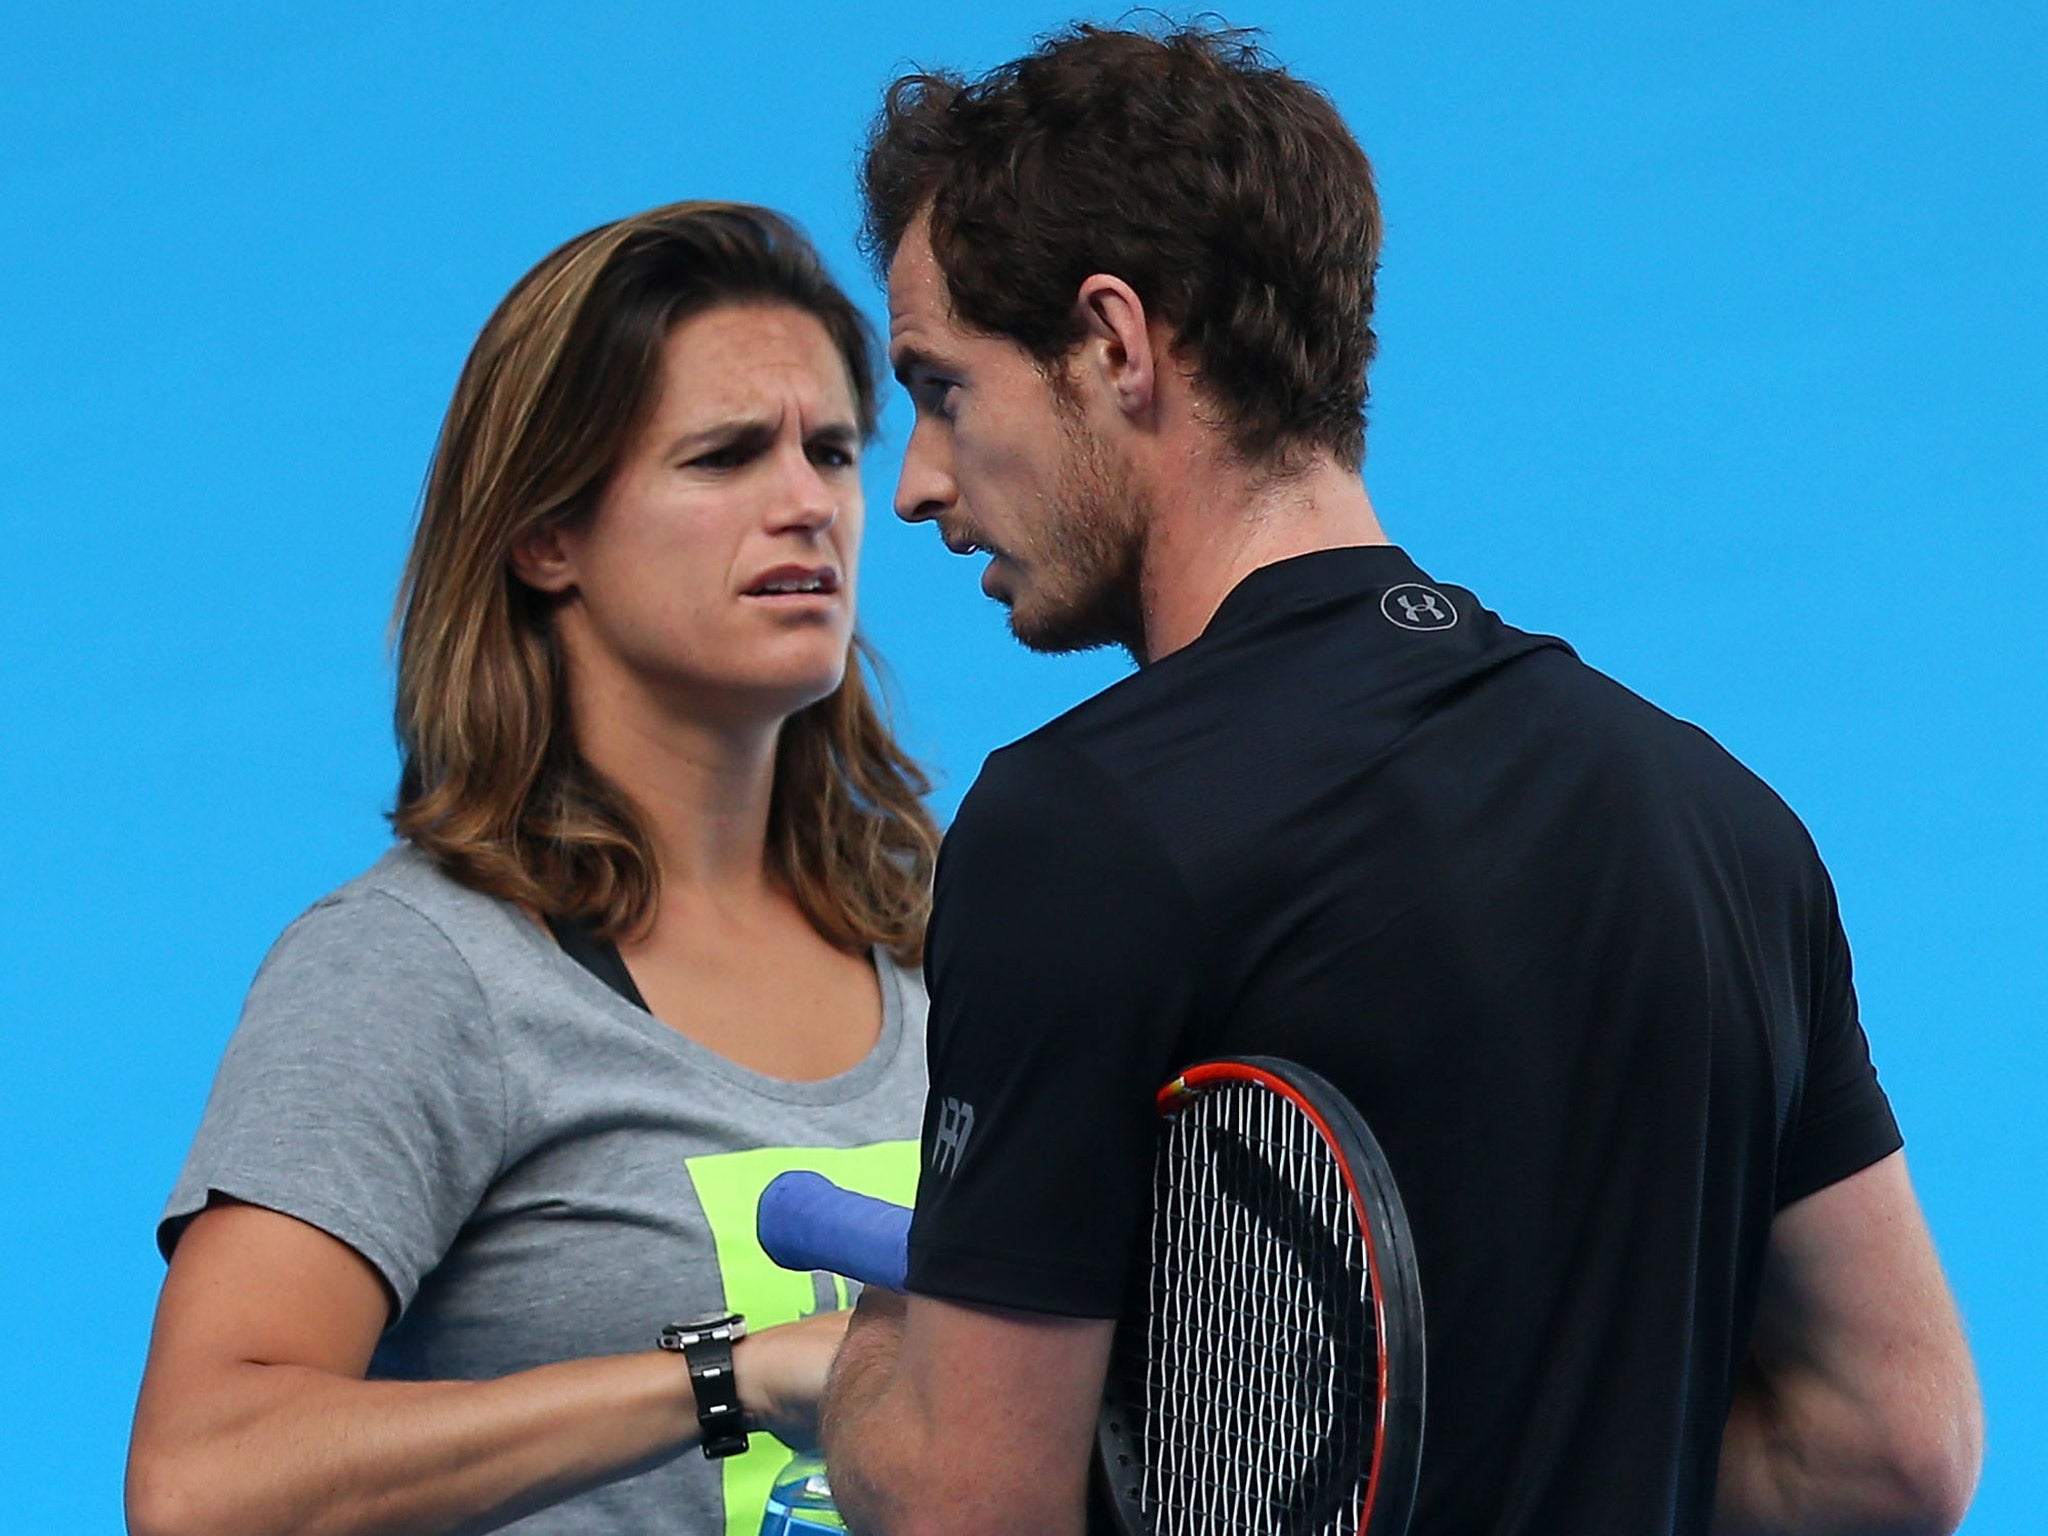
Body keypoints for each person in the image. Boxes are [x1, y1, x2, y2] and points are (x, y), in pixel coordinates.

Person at [818, 24, 1983, 1536]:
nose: (916, 481)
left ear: (1116, 344)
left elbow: (968, 1507)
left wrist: (869, 1348)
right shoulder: (1730, 825)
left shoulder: (1076, 831)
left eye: (941, 386)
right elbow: (1893, 1450)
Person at [126, 201, 939, 1536]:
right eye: (727, 456)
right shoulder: (415, 972)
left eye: (834, 451)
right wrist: (730, 1379)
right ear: (545, 534)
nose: (808, 505)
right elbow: (201, 1481)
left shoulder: (938, 941)